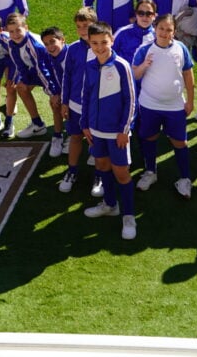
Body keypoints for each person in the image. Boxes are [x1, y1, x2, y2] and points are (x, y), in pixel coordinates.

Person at [80, 22, 138, 240]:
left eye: (104, 42)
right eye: (94, 43)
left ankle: (129, 216)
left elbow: (131, 100)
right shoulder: (90, 65)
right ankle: (110, 205)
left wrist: (124, 130)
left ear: (111, 41)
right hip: (95, 131)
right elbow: (86, 95)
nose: (99, 47)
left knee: (122, 173)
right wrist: (85, 124)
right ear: (89, 43)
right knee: (102, 165)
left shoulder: (122, 66)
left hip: (117, 134)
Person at [131, 14, 195, 197]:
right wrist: (144, 65)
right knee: (149, 137)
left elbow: (188, 75)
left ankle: (184, 178)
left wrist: (190, 100)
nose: (165, 33)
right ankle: (150, 172)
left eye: (169, 30)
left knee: (180, 142)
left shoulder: (181, 48)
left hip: (175, 106)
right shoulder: (145, 50)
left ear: (174, 32)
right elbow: (135, 75)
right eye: (161, 28)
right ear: (155, 28)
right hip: (149, 105)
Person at [58, 7, 102, 195]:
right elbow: (66, 76)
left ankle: (99, 176)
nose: (83, 29)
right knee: (75, 138)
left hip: (97, 107)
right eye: (79, 26)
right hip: (75, 104)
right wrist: (65, 101)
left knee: (98, 142)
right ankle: (72, 171)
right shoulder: (73, 49)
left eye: (86, 25)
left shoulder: (102, 47)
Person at [5, 14, 61, 145]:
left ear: (26, 28)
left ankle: (60, 135)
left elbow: (44, 71)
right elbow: (19, 64)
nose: (15, 34)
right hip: (36, 70)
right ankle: (37, 124)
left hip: (53, 72)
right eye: (11, 31)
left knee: (55, 103)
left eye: (18, 30)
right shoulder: (11, 43)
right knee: (20, 87)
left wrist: (53, 93)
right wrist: (23, 79)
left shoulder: (34, 45)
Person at [41, 26, 68, 158]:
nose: (50, 46)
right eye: (46, 44)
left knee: (71, 108)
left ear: (62, 40)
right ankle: (58, 136)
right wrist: (54, 93)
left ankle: (74, 135)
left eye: (52, 42)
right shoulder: (47, 56)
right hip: (61, 91)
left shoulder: (71, 55)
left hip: (77, 93)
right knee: (54, 103)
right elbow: (48, 76)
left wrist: (65, 98)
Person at [113, 0, 157, 64]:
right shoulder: (122, 32)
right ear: (136, 14)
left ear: (154, 16)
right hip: (124, 73)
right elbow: (108, 54)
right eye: (141, 13)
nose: (144, 17)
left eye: (149, 14)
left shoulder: (157, 36)